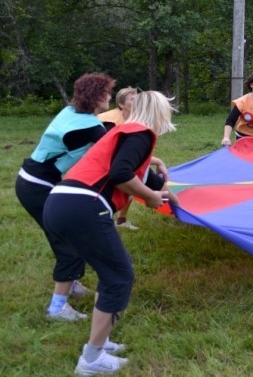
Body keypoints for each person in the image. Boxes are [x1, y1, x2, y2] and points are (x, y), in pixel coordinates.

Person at [43, 91, 179, 375]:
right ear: (159, 112)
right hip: (84, 205)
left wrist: (169, 198)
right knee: (120, 277)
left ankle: (100, 342)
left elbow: (146, 181)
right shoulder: (140, 134)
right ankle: (92, 360)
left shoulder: (126, 134)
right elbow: (121, 175)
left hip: (61, 202)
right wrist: (151, 197)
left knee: (110, 275)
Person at [15, 72, 115, 321]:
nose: (110, 97)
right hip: (38, 185)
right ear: (96, 96)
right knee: (69, 241)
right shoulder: (90, 126)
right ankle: (57, 308)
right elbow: (117, 156)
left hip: (31, 180)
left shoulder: (72, 112)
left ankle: (70, 284)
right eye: (107, 92)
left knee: (63, 236)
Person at [98, 87, 169, 230]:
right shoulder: (111, 123)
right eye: (132, 99)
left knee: (149, 181)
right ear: (121, 104)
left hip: (121, 167)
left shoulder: (136, 125)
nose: (136, 102)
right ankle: (107, 219)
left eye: (137, 99)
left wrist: (157, 161)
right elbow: (116, 162)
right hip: (101, 173)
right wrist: (149, 195)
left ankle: (178, 208)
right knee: (131, 181)